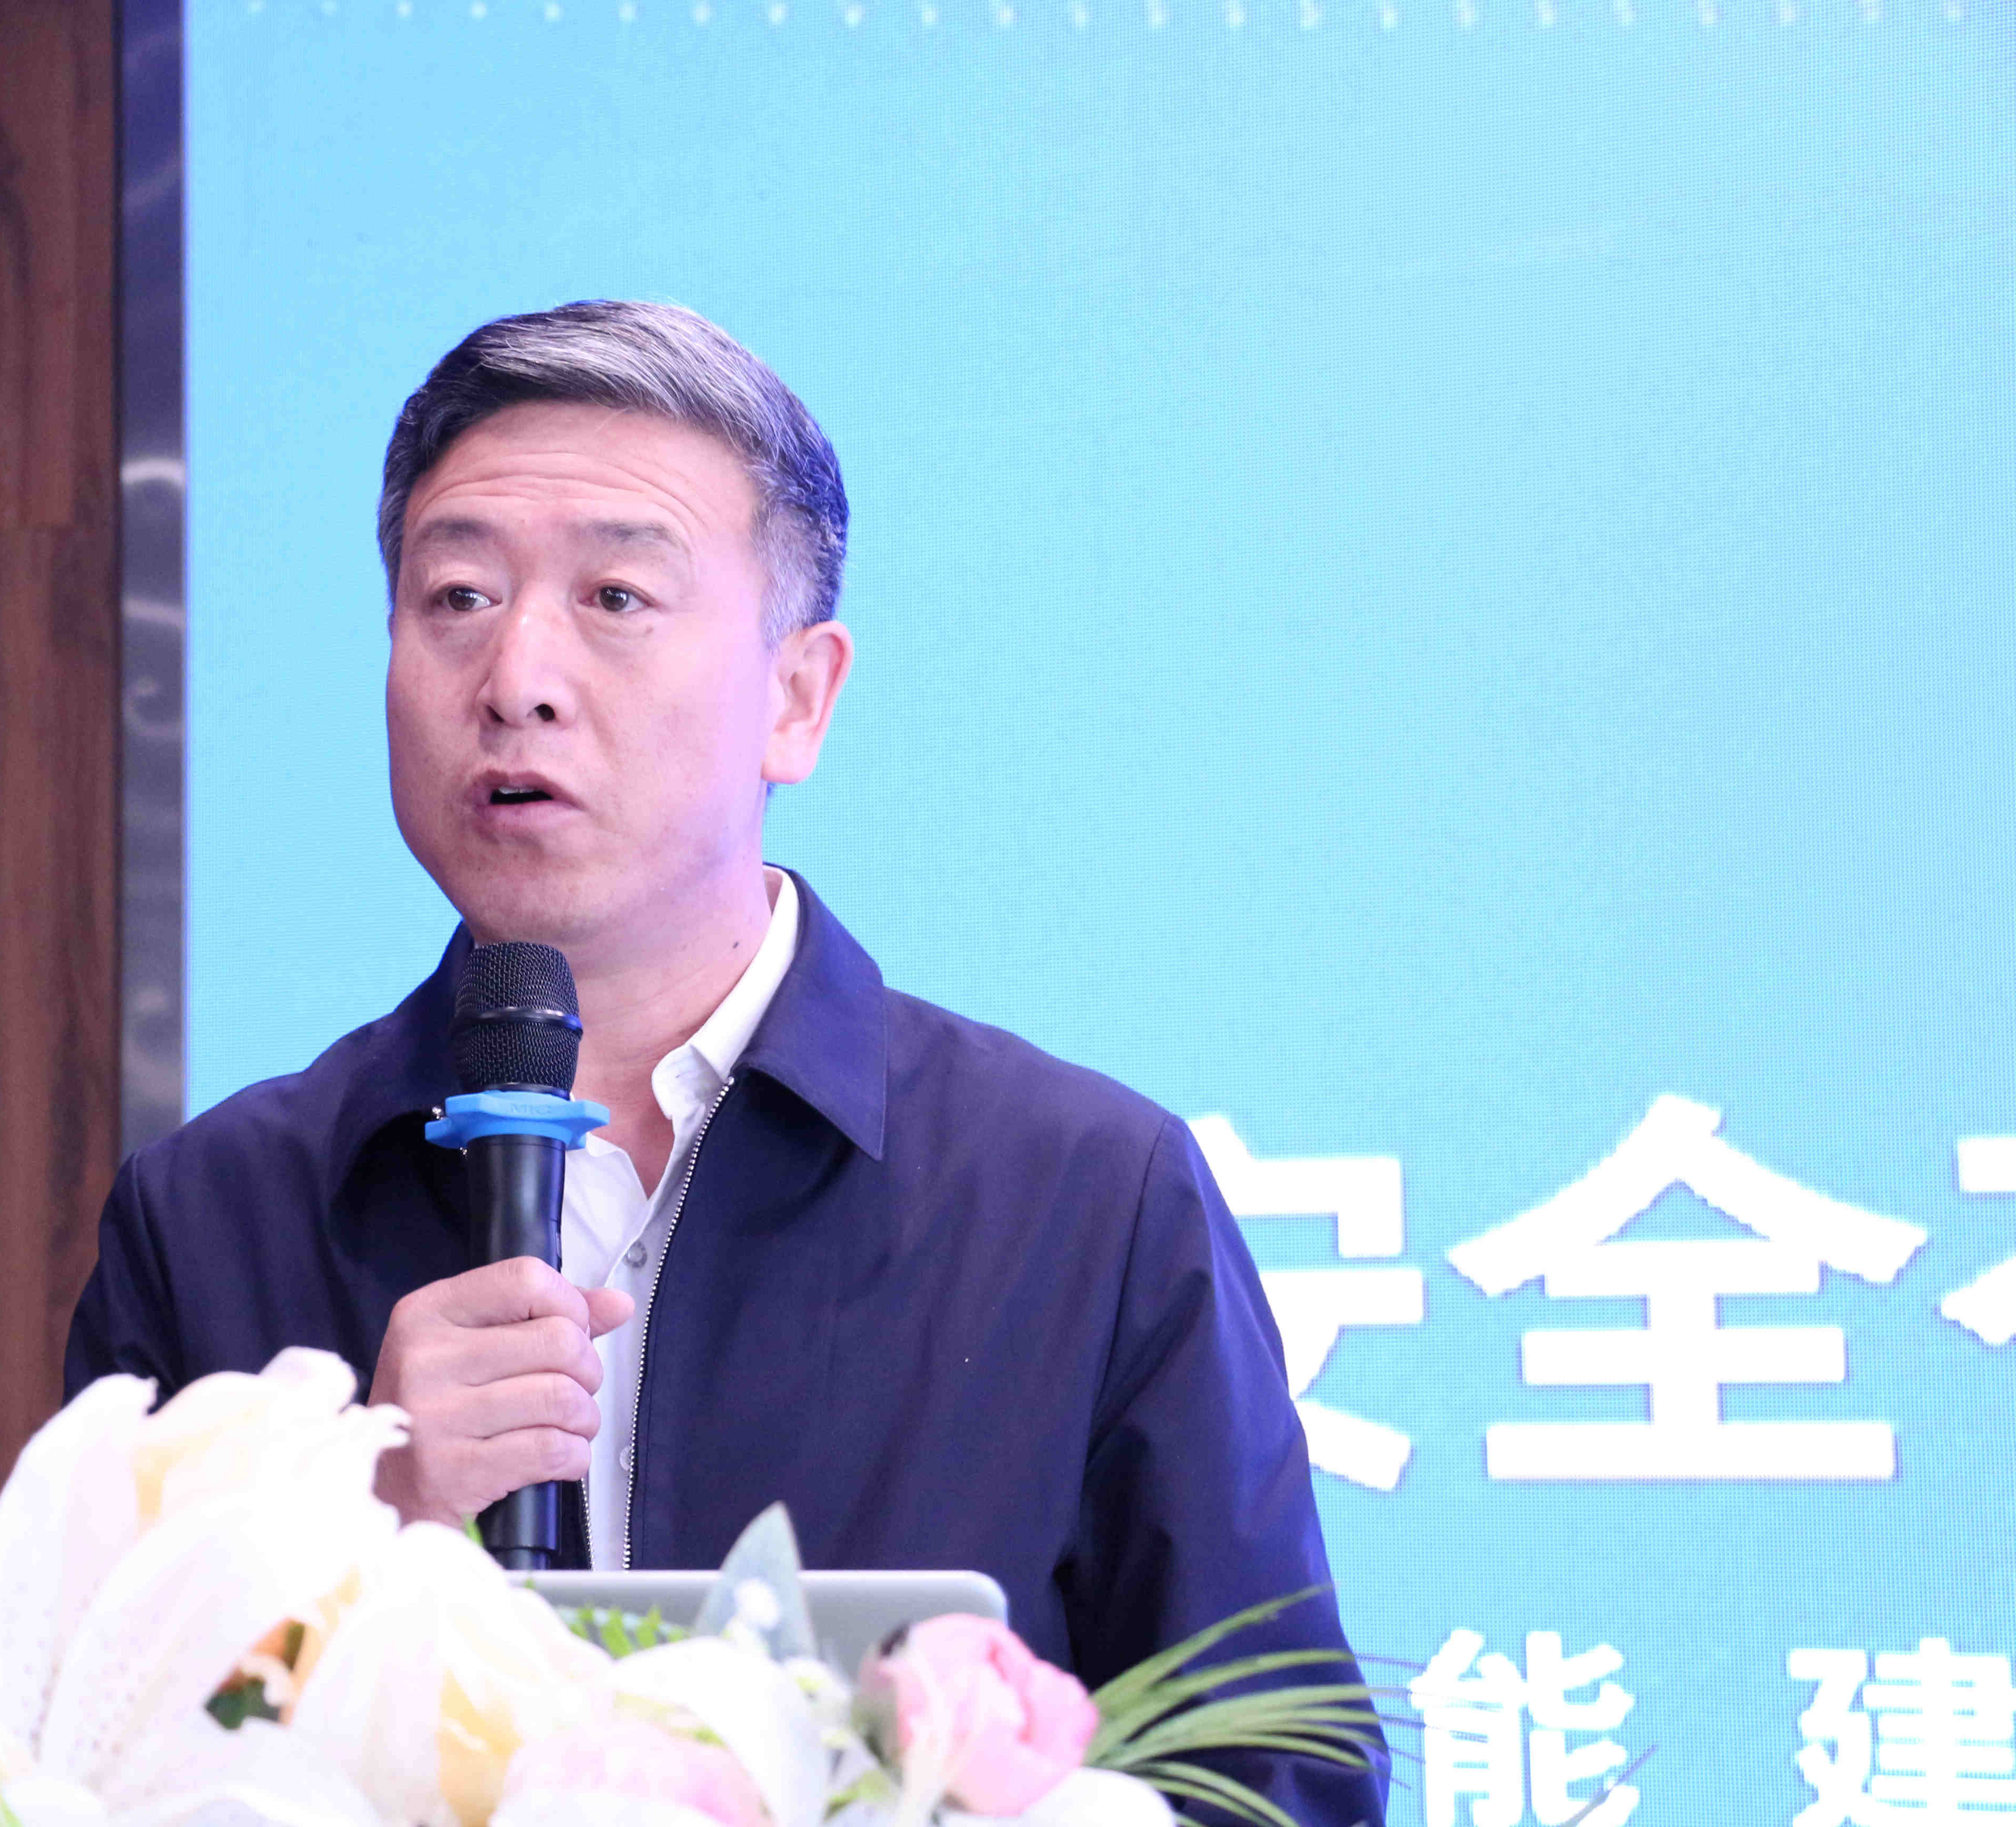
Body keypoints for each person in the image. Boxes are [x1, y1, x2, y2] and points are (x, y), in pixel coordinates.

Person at [67, 300, 1385, 1823]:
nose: (516, 675)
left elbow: (1279, 1784)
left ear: (797, 697)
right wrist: (357, 1530)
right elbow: (66, 1770)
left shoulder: (1085, 1201)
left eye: (617, 596)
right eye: (457, 596)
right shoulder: (210, 1220)